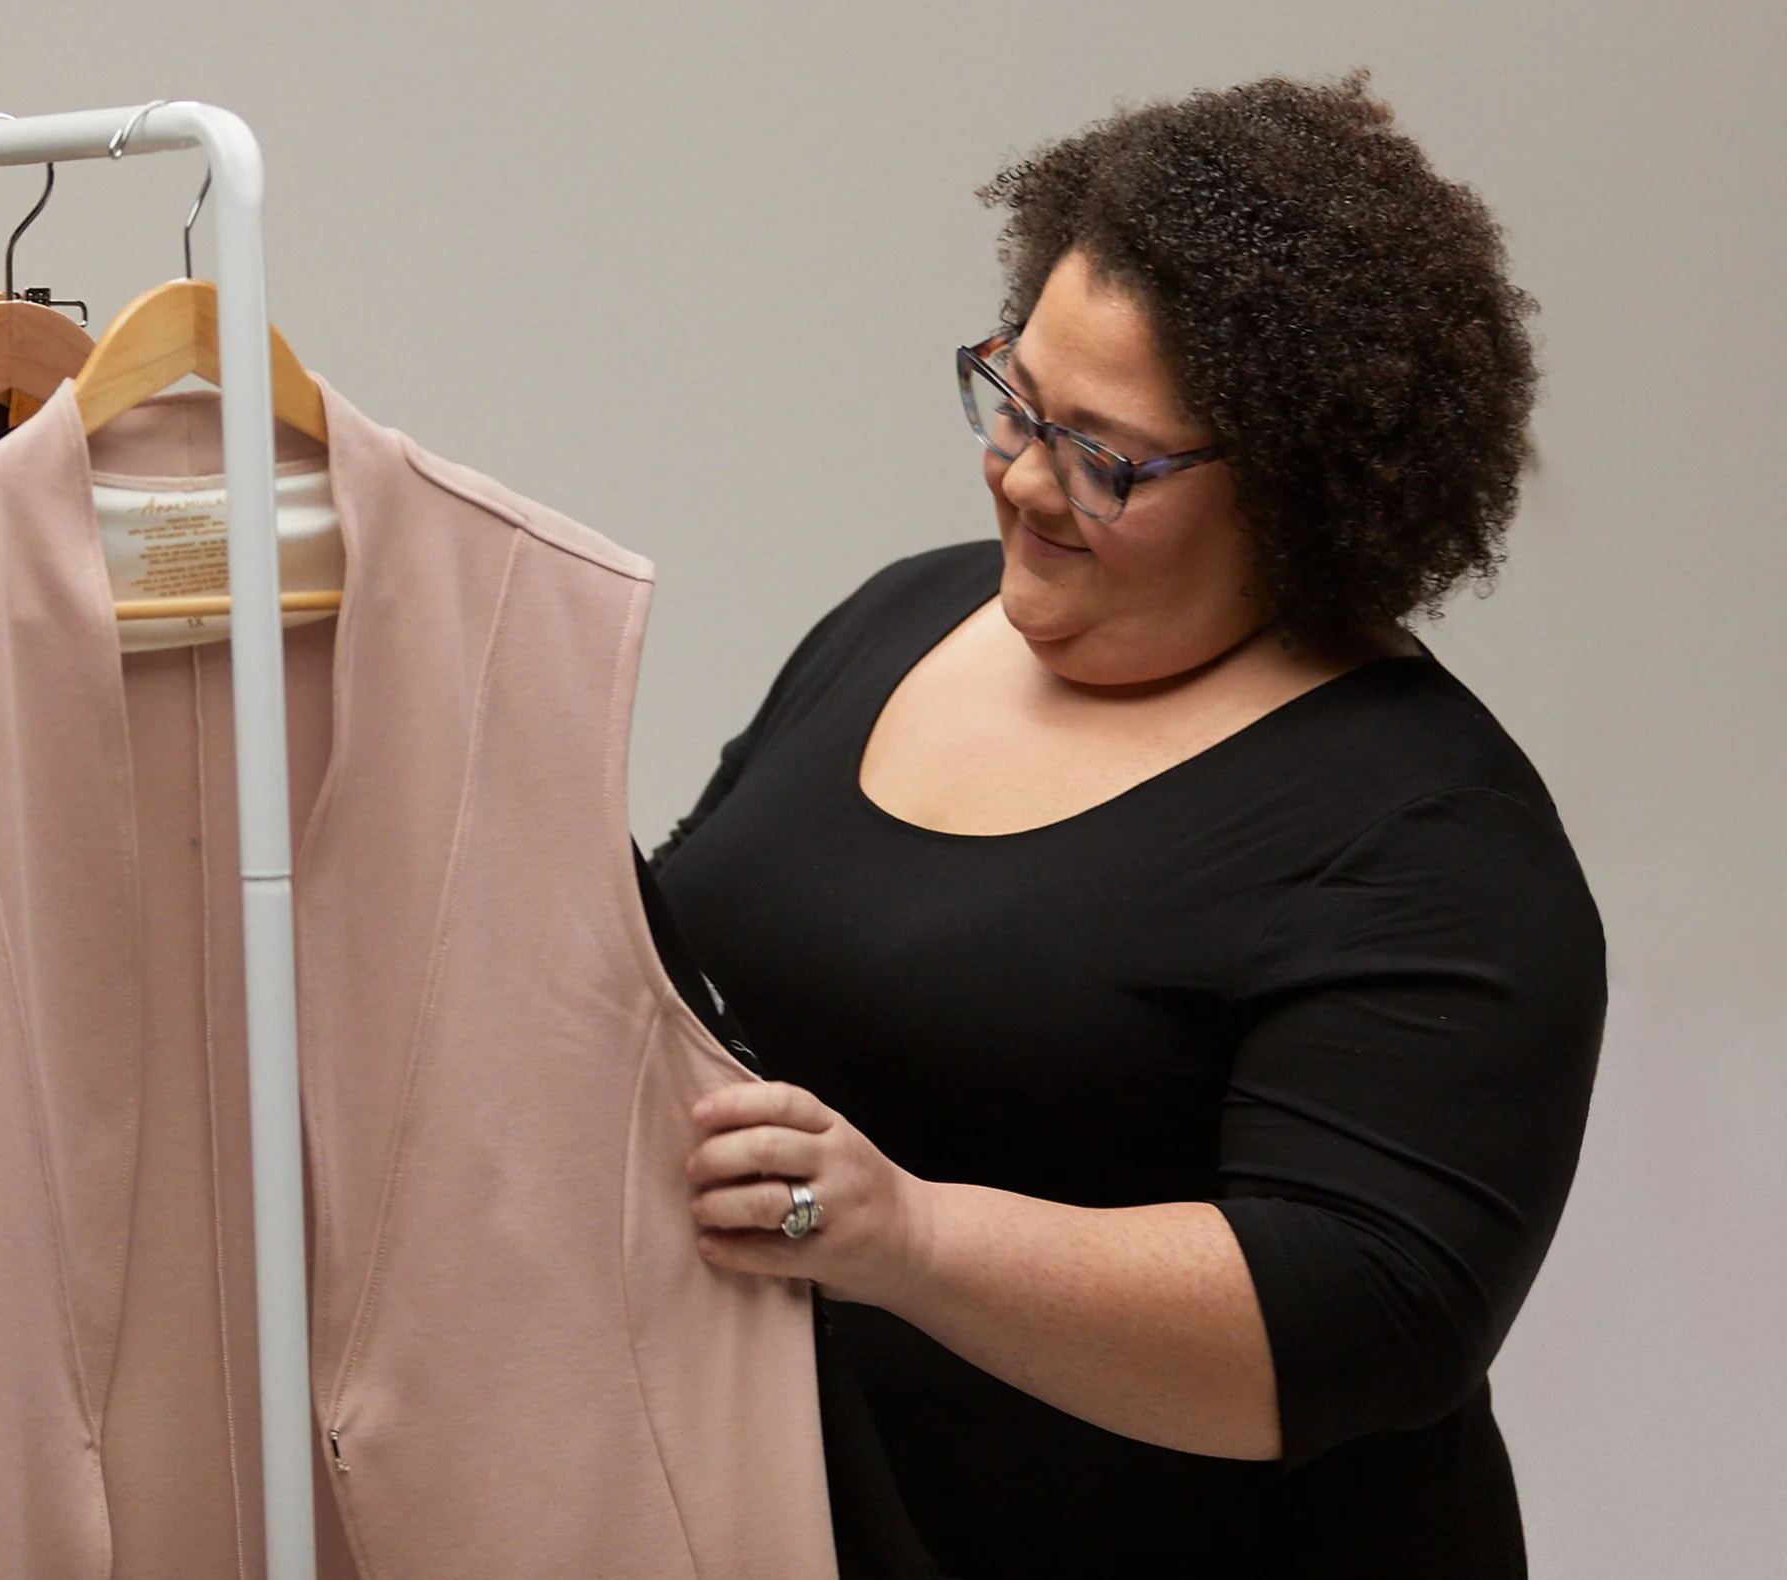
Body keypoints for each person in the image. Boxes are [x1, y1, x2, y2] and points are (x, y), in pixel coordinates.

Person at [654, 73, 1604, 1578]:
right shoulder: (902, 619)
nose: (1021, 479)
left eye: (1105, 457)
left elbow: (1356, 1320)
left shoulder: (1431, 836)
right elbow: (702, 975)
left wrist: (909, 1239)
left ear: (1296, 487)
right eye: (1012, 396)